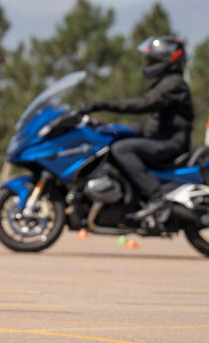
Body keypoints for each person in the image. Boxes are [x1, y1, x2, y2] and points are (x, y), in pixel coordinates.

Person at [80, 35, 194, 219]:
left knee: (121, 149)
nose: (149, 63)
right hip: (159, 139)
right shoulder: (164, 83)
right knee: (115, 141)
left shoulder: (174, 84)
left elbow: (143, 104)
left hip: (171, 143)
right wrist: (110, 128)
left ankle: (158, 197)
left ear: (168, 60)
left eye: (154, 59)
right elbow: (147, 124)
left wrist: (101, 105)